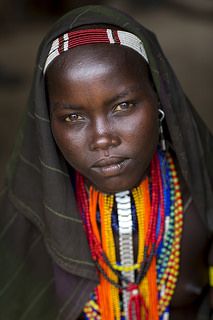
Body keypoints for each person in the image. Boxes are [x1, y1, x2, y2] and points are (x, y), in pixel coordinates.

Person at [0, 5, 212, 320]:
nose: (102, 138)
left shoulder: (201, 199)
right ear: (48, 125)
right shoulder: (28, 225)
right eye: (73, 116)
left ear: (158, 101)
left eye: (123, 105)